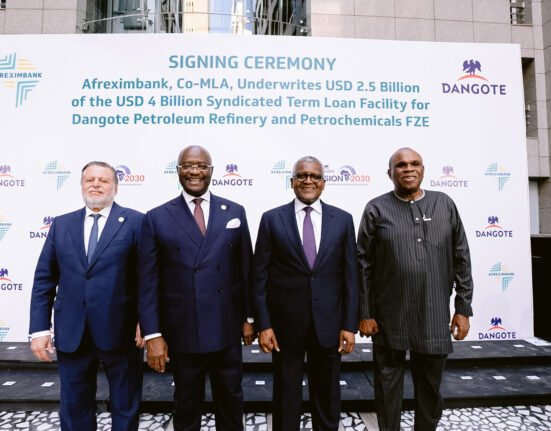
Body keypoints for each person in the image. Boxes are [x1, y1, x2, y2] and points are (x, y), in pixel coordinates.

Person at [138, 145, 255, 431]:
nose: (195, 171)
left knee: (231, 402)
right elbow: (148, 281)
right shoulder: (156, 217)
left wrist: (250, 318)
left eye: (201, 166)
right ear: (178, 170)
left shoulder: (235, 211)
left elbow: (246, 271)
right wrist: (152, 333)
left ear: (211, 171)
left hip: (226, 327)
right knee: (186, 405)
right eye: (188, 165)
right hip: (182, 330)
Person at [357, 147, 474, 431]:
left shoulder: (444, 204)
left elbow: (462, 257)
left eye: (414, 163)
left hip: (433, 312)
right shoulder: (376, 209)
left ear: (423, 169)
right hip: (389, 314)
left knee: (430, 387)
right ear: (390, 173)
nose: (408, 169)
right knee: (387, 385)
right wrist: (365, 313)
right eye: (401, 165)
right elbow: (363, 265)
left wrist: (463, 308)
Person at [29, 161, 144, 431]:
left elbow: (147, 278)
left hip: (122, 331)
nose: (95, 185)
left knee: (126, 404)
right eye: (89, 180)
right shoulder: (61, 224)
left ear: (115, 187)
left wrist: (146, 321)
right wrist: (39, 329)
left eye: (103, 180)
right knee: (74, 406)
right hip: (73, 332)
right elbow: (44, 279)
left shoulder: (137, 222)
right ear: (81, 185)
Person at [253, 156, 359, 431]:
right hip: (285, 326)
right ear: (292, 182)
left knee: (327, 394)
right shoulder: (271, 219)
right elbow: (259, 276)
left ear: (323, 183)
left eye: (314, 176)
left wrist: (350, 325)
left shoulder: (343, 220)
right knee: (286, 395)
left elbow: (351, 276)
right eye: (302, 175)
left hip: (329, 324)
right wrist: (264, 324)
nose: (308, 180)